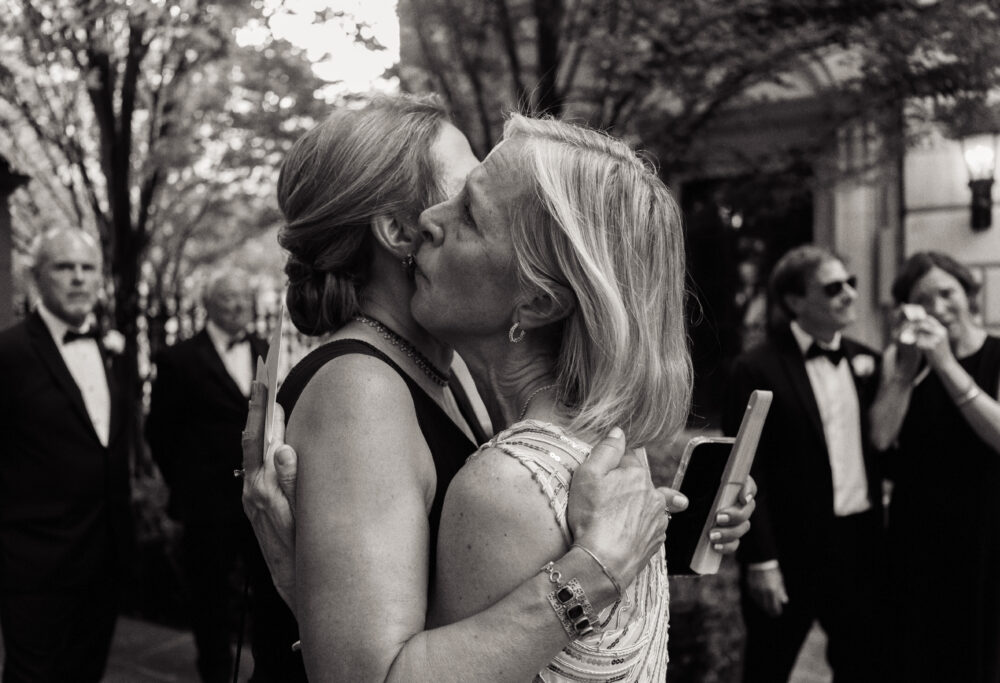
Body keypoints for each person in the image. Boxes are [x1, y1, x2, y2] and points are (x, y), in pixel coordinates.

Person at [242, 97, 756, 682]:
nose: (441, 217)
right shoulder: (362, 391)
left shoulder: (448, 368)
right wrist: (598, 569)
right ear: (395, 231)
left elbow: (489, 569)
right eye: (461, 193)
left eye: (468, 208)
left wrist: (655, 527)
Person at [722, 245, 884, 683]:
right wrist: (761, 561)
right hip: (792, 551)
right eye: (833, 288)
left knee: (862, 664)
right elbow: (744, 470)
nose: (849, 293)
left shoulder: (868, 360)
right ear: (794, 301)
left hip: (859, 546)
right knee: (768, 667)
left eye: (850, 283)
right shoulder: (754, 368)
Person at [0, 228, 132, 682]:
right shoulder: (0, 355)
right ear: (35, 278)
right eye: (64, 267)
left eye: (88, 268)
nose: (79, 279)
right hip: (35, 564)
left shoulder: (111, 349)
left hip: (105, 557)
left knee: (86, 673)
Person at [146, 270, 300, 682]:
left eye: (243, 300)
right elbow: (159, 431)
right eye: (229, 298)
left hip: (259, 499)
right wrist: (186, 482)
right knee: (209, 598)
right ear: (210, 303)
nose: (238, 307)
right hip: (205, 504)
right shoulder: (178, 358)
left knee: (268, 593)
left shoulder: (263, 351)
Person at [870, 251, 1000, 683]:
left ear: (969, 293)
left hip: (985, 526)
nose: (938, 308)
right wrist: (908, 370)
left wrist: (944, 363)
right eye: (923, 299)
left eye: (947, 293)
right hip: (917, 528)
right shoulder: (899, 359)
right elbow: (881, 437)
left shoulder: (996, 354)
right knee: (917, 649)